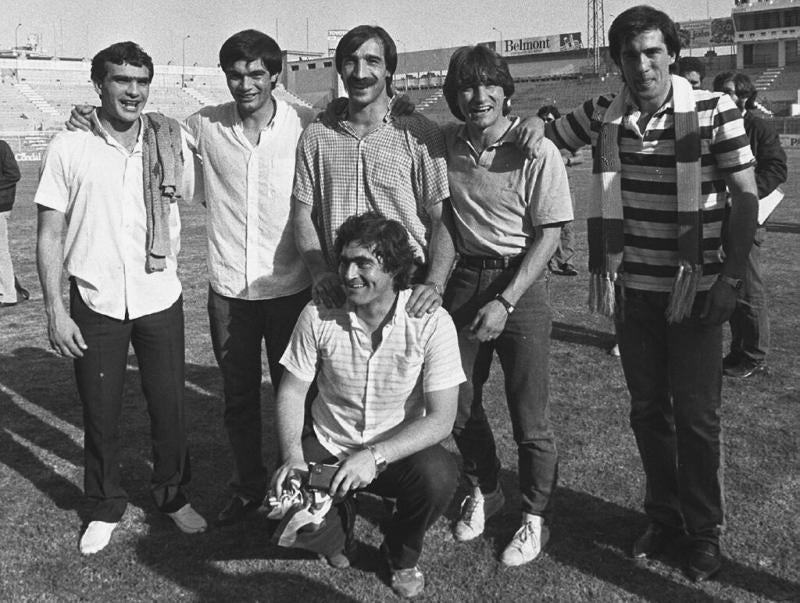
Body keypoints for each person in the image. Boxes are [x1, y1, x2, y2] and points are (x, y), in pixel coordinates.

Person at [534, 5, 758, 582]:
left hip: (698, 293)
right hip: (633, 295)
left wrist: (732, 276)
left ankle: (703, 532)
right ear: (617, 62)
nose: (642, 64)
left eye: (653, 52)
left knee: (698, 418)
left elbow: (745, 196)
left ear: (672, 54)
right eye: (630, 55)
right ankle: (664, 518)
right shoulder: (603, 112)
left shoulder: (714, 109)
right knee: (647, 412)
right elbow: (543, 136)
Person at [68, 30, 316, 527]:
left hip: (292, 288)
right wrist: (84, 115)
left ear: (276, 76)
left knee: (303, 396)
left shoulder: (305, 124)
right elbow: (144, 127)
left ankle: (305, 494)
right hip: (230, 292)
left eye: (256, 74)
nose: (245, 83)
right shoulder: (203, 124)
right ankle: (247, 488)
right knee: (239, 399)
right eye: (235, 74)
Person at [35, 41, 206, 555]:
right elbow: (48, 232)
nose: (133, 91)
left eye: (140, 81)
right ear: (99, 86)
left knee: (170, 407)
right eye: (121, 80)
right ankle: (106, 504)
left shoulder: (167, 139)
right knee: (100, 411)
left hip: (159, 294)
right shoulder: (70, 145)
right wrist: (54, 309)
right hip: (96, 298)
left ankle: (172, 496)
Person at [271, 212, 464, 598]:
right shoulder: (318, 313)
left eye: (364, 263)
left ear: (394, 268)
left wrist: (375, 456)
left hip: (393, 453)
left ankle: (401, 555)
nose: (348, 274)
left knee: (439, 475)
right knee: (284, 503)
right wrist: (292, 455)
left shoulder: (431, 321)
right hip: (330, 443)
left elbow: (443, 419)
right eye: (344, 261)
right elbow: (292, 391)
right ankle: (339, 534)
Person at [440, 46, 573, 567]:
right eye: (468, 86)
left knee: (529, 413)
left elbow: (550, 235)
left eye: (490, 84)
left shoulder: (536, 148)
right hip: (465, 277)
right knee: (455, 400)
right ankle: (487, 488)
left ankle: (534, 517)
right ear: (454, 95)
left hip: (520, 282)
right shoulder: (446, 143)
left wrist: (506, 299)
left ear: (506, 90)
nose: (479, 96)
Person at [292, 25, 453, 319]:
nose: (360, 72)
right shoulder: (316, 136)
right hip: (341, 289)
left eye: (372, 61)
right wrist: (319, 272)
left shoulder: (419, 133)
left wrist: (435, 283)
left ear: (389, 70)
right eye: (351, 61)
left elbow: (442, 218)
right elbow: (302, 214)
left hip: (406, 291)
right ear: (340, 70)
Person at [712, 71, 787, 379]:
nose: (723, 96)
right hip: (720, 219)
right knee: (730, 286)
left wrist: (744, 192)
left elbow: (776, 168)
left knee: (749, 289)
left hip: (748, 218)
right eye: (719, 90)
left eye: (729, 91)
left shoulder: (757, 126)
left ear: (744, 96)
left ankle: (754, 354)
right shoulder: (714, 124)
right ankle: (738, 348)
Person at [537, 105, 579, 277]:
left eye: (550, 119)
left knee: (567, 226)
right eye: (544, 119)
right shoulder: (538, 138)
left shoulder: (564, 138)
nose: (547, 122)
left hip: (566, 186)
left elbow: (580, 157)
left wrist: (566, 160)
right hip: (545, 187)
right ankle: (550, 263)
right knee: (547, 225)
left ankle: (567, 262)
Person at [0, 139, 27, 307]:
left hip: (0, 207)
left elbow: (14, 174)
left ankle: (9, 294)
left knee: (1, 251)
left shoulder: (2, 146)